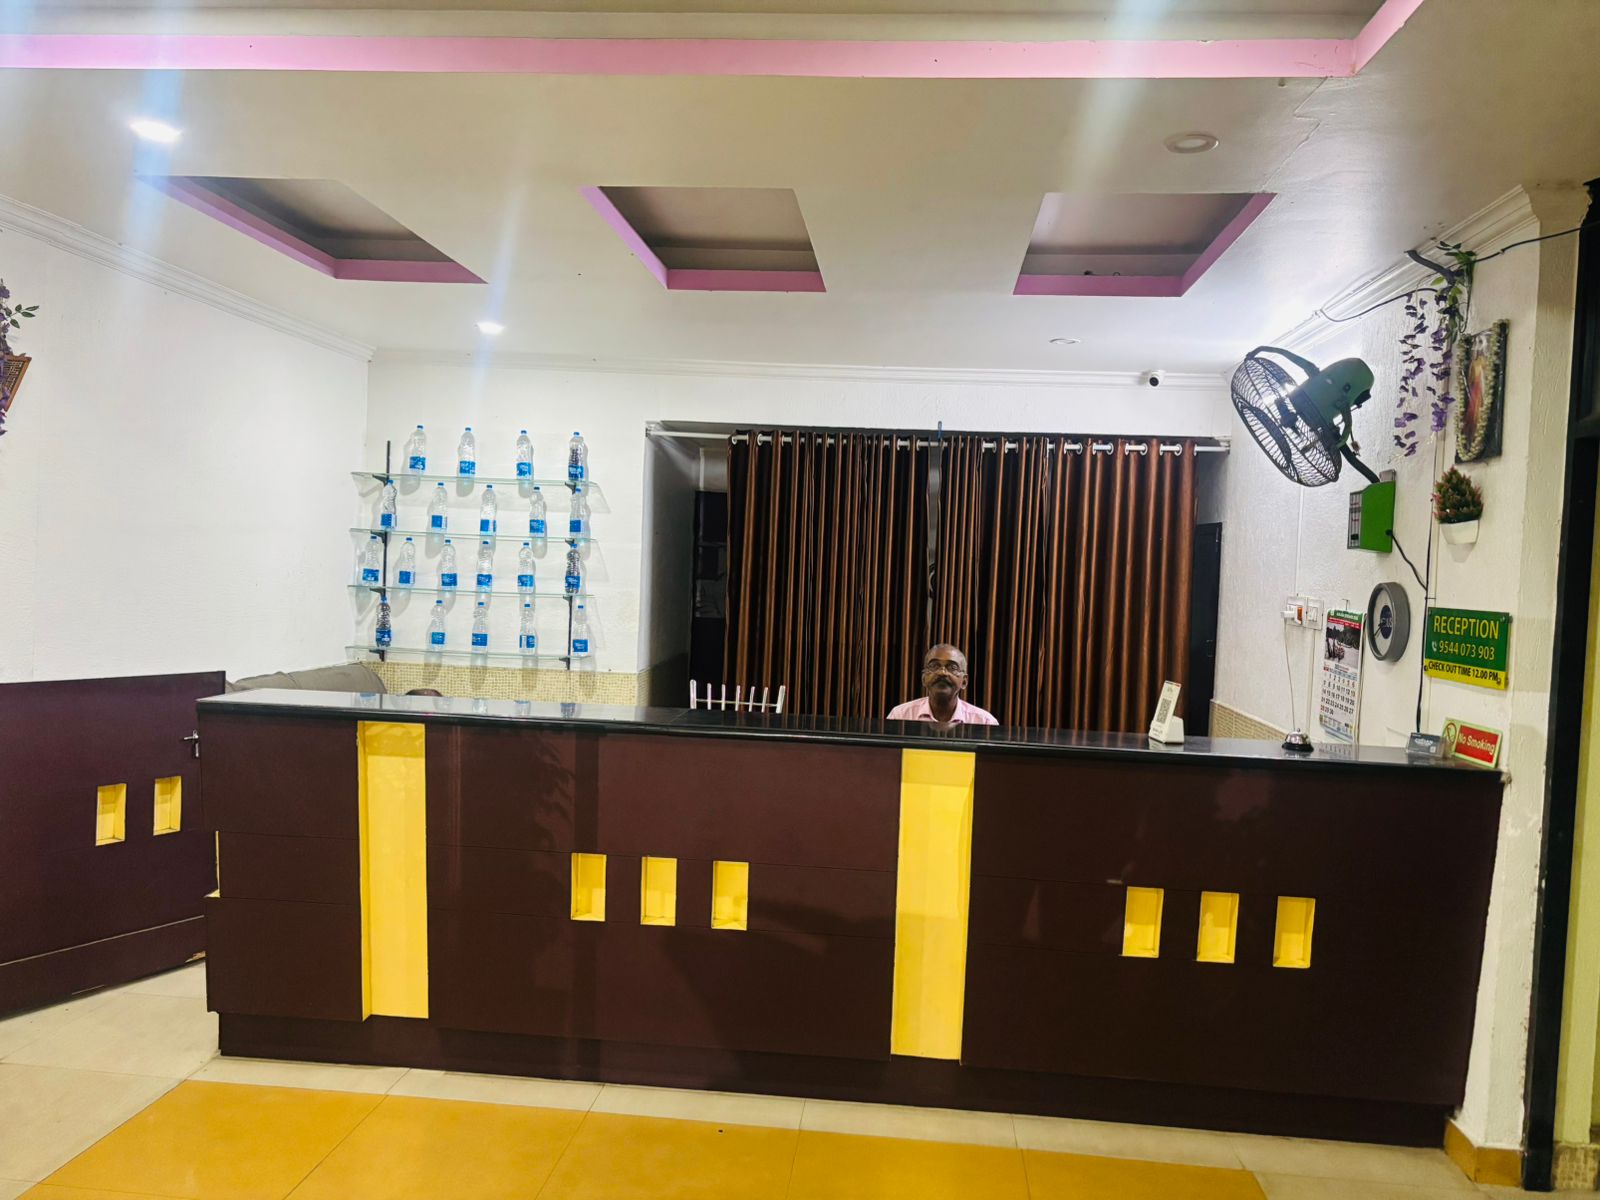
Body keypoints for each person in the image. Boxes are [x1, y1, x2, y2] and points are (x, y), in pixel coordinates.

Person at [887, 644, 998, 726]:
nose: (942, 672)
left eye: (952, 667)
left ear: (964, 681)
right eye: (934, 666)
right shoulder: (900, 716)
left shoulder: (984, 722)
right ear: (924, 679)